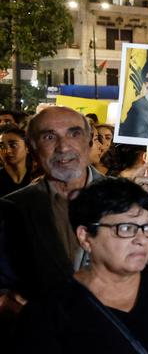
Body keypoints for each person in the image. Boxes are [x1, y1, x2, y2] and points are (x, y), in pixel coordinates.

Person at [13, 177, 148, 353]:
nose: (141, 239)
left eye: (146, 228)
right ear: (86, 237)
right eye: (126, 229)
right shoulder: (50, 312)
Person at [0, 107, 105, 302]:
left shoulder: (125, 200)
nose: (63, 147)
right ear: (32, 148)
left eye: (74, 134)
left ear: (89, 143)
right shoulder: (12, 208)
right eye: (49, 137)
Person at [0, 125, 34, 197]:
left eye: (13, 145)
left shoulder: (37, 176)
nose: (7, 151)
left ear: (27, 147)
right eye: (2, 146)